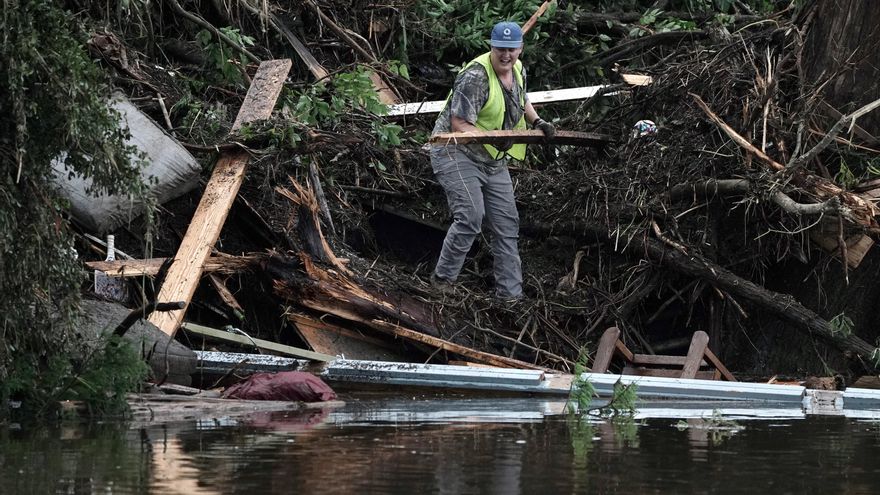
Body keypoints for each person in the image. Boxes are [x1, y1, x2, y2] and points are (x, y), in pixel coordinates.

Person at [429, 21, 555, 300]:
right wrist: (494, 137)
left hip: (492, 159)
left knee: (507, 224)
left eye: (512, 49)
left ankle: (510, 297)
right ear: (491, 47)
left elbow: (521, 100)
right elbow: (459, 123)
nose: (506, 55)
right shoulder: (476, 76)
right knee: (471, 217)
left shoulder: (518, 69)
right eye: (501, 49)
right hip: (455, 151)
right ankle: (442, 282)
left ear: (520, 48)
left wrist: (537, 121)